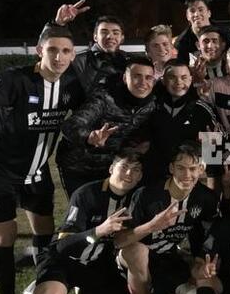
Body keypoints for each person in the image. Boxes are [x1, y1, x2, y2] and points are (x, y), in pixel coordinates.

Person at [0, 24, 86, 294]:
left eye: (65, 51)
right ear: (39, 51)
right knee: (5, 238)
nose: (59, 57)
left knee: (45, 234)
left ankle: (40, 293)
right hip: (0, 173)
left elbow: (93, 110)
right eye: (52, 50)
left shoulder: (73, 83)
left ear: (73, 55)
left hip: (37, 172)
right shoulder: (18, 78)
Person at [0, 150, 147, 294]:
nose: (129, 174)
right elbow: (63, 245)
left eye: (136, 170)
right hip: (63, 261)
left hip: (97, 266)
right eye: (124, 167)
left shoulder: (136, 200)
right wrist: (99, 230)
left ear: (141, 176)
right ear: (111, 168)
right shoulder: (86, 193)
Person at [115, 142, 219, 294]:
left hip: (167, 257)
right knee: (137, 251)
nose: (187, 175)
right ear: (171, 168)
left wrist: (200, 260)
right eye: (180, 168)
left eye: (193, 168)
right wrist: (152, 226)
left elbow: (210, 232)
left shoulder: (205, 197)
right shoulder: (146, 195)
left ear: (201, 169)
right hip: (132, 258)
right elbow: (119, 241)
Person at [56, 57, 157, 198]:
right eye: (137, 76)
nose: (143, 83)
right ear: (124, 78)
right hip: (78, 167)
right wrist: (90, 137)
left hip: (111, 169)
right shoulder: (104, 98)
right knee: (84, 209)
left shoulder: (152, 104)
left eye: (148, 78)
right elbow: (71, 125)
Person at [141, 59, 219, 185]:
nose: (179, 82)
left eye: (184, 77)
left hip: (188, 179)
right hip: (153, 177)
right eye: (172, 77)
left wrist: (212, 190)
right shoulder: (151, 106)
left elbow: (214, 157)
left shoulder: (201, 108)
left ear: (191, 79)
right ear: (163, 80)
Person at [51, 0, 129, 95]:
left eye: (115, 33)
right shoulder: (77, 61)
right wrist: (58, 25)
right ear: (95, 36)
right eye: (104, 32)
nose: (110, 36)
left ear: (122, 38)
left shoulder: (129, 62)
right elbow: (50, 66)